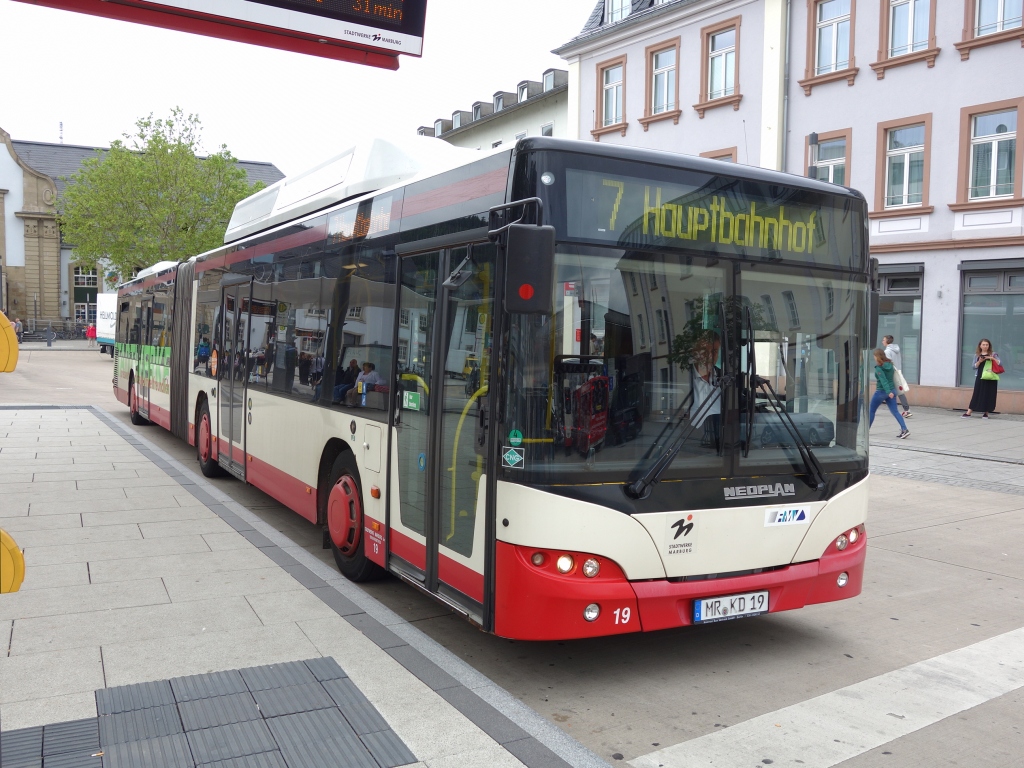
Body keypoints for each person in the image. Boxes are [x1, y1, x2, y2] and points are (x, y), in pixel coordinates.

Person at [871, 348, 909, 438]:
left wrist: (888, 392)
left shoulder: (879, 368)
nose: (873, 358)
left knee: (871, 411)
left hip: (882, 391)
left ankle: (866, 430)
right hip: (892, 390)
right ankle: (905, 429)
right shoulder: (890, 365)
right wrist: (890, 392)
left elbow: (884, 381)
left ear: (877, 357)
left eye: (874, 356)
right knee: (895, 411)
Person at [963, 338, 1000, 419]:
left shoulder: (993, 354)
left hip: (990, 377)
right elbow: (974, 366)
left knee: (989, 394)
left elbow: (1000, 363)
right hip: (980, 376)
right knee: (977, 393)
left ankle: (986, 413)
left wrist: (991, 358)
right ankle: (969, 412)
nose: (985, 346)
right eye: (983, 344)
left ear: (989, 346)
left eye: (987, 345)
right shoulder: (977, 355)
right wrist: (979, 361)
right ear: (980, 345)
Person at [883, 335, 911, 418]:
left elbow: (888, 364)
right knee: (899, 390)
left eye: (883, 340)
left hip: (891, 373)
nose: (882, 341)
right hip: (898, 371)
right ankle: (906, 410)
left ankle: (906, 410)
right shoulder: (896, 349)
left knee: (884, 390)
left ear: (887, 341)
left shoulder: (887, 351)